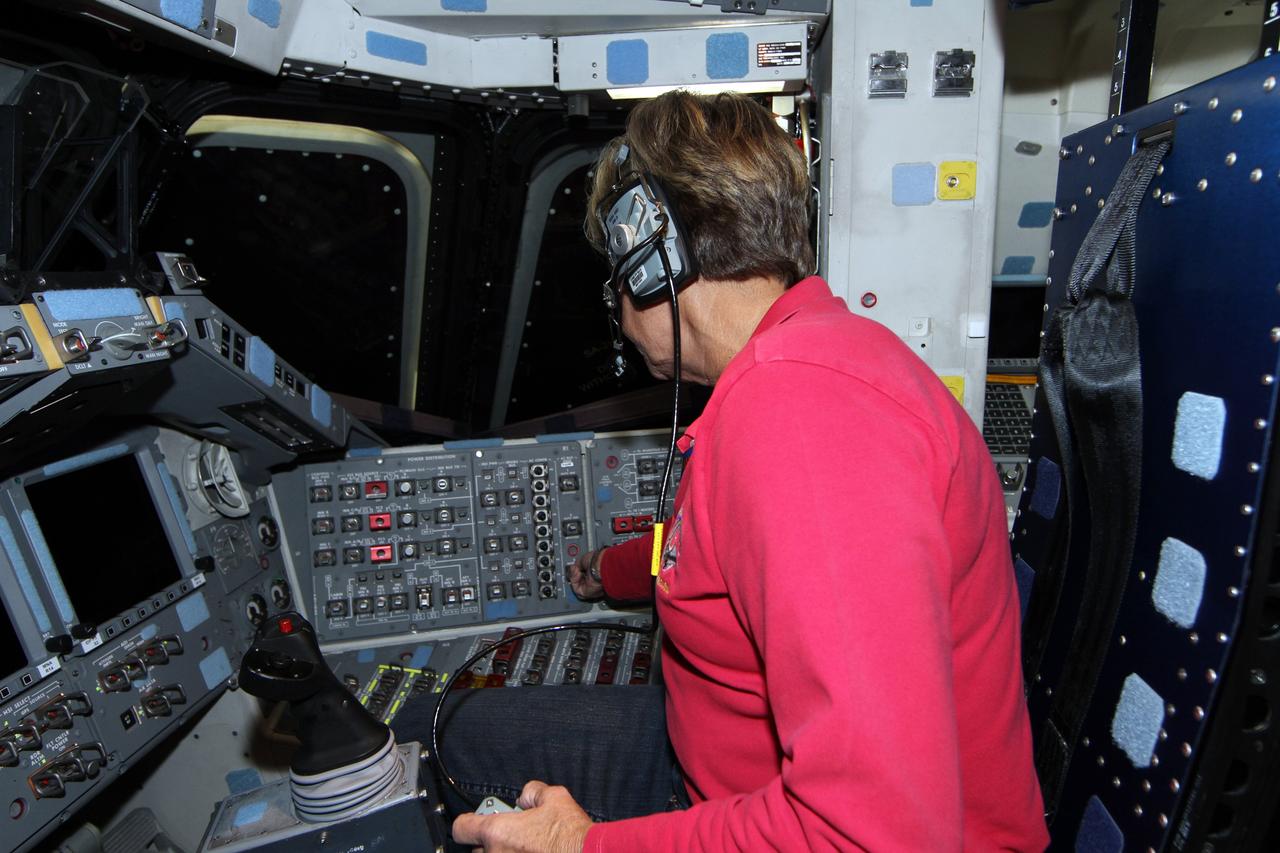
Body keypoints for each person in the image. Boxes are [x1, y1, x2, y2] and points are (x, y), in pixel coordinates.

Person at [397, 90, 1048, 852]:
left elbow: (874, 833)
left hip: (799, 819)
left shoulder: (803, 418)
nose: (616, 300)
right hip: (718, 766)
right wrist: (611, 571)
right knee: (463, 724)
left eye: (617, 275)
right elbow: (716, 556)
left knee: (434, 744)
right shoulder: (799, 369)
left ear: (654, 258)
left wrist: (582, 845)